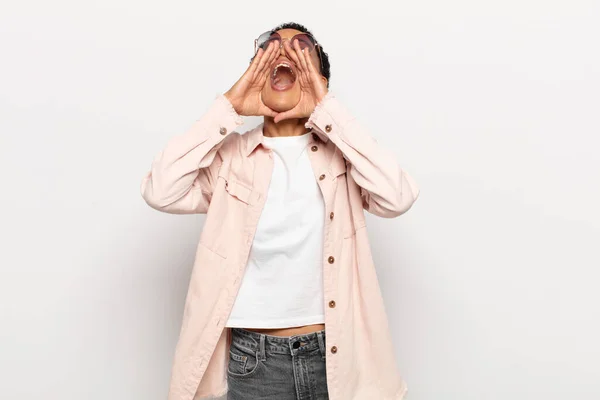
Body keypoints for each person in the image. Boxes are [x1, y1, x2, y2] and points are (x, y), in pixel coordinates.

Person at [141, 21, 419, 400]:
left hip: (338, 358)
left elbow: (396, 196)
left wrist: (330, 112)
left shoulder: (343, 156)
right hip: (254, 362)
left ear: (319, 79)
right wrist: (228, 108)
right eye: (270, 48)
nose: (284, 53)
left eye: (302, 48)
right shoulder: (232, 157)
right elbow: (161, 190)